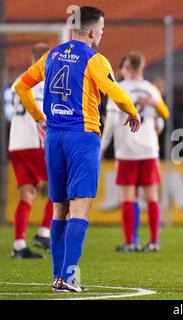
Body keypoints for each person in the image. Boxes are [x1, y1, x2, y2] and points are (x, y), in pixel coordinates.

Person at [14, 6, 140, 293]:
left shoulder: (52, 55)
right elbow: (116, 93)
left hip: (54, 138)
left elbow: (21, 86)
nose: (102, 35)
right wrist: (132, 112)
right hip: (81, 137)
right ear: (93, 32)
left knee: (59, 209)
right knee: (81, 206)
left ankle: (59, 277)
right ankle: (69, 276)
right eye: (102, 30)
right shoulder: (95, 59)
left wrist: (38, 117)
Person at [101, 52, 169, 252]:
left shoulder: (119, 89)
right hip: (149, 148)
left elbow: (112, 122)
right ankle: (154, 241)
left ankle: (131, 241)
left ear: (128, 68)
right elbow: (160, 121)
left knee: (128, 197)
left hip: (127, 150)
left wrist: (103, 147)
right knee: (152, 197)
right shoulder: (151, 90)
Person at [9, 43, 53, 258]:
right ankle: (44, 232)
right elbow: (45, 115)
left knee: (27, 193)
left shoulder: (18, 81)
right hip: (34, 144)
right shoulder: (42, 83)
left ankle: (18, 245)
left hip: (15, 145)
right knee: (62, 184)